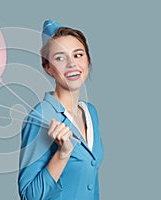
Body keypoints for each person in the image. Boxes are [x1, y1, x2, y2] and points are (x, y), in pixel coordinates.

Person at [18, 19, 104, 200]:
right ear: (48, 68)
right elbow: (28, 196)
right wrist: (62, 154)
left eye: (78, 55)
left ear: (88, 60)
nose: (72, 64)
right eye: (60, 58)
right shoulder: (40, 117)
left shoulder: (90, 112)